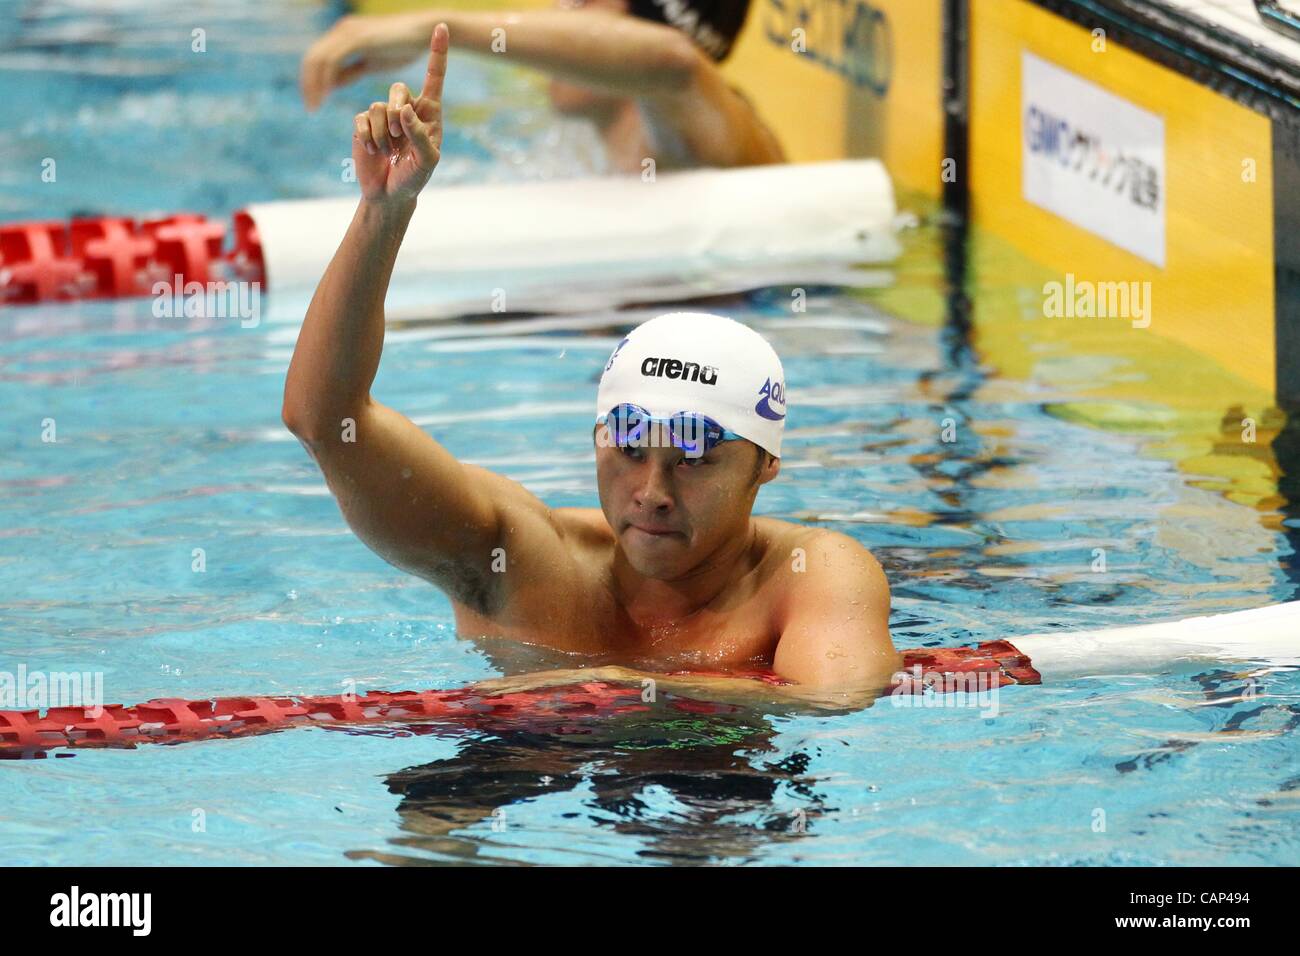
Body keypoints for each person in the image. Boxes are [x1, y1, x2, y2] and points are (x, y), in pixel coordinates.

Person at [282, 25, 899, 698]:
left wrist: (615, 690)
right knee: (443, 802)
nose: (653, 491)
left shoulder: (811, 572)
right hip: (521, 766)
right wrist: (384, 209)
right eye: (630, 447)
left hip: (730, 781)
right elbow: (325, 420)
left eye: (694, 457)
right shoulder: (518, 560)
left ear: (767, 462)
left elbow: (836, 695)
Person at [300, 0, 784, 173]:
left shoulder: (711, 140)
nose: (557, 17)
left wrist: (442, 28)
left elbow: (674, 62)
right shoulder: (594, 147)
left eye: (580, 1)